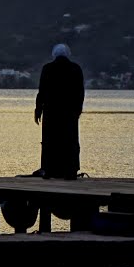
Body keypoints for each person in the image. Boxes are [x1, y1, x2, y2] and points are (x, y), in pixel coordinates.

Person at [34, 43, 85, 178]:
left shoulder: (47, 69)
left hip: (51, 112)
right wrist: (78, 110)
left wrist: (38, 109)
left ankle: (49, 169)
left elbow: (42, 91)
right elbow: (80, 92)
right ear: (68, 54)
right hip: (70, 112)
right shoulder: (76, 69)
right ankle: (71, 170)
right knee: (70, 141)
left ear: (54, 54)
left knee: (50, 141)